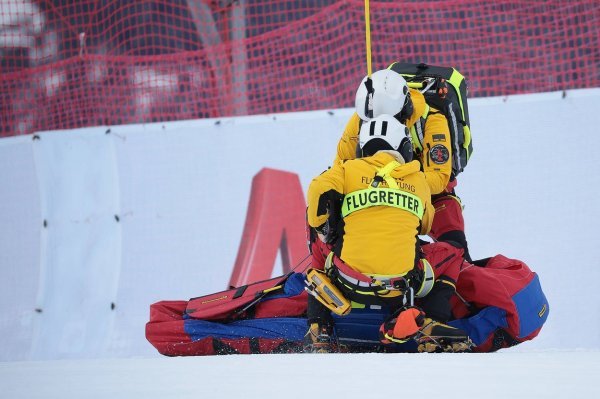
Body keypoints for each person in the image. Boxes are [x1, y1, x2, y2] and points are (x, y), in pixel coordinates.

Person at [304, 115, 471, 353]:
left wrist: (322, 227)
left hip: (347, 281)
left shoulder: (347, 169)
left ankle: (318, 326)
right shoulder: (419, 178)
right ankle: (432, 318)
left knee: (319, 239)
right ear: (403, 146)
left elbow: (317, 188)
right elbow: (424, 227)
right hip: (401, 285)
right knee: (453, 252)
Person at [326, 68, 471, 261]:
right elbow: (340, 166)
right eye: (373, 121)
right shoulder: (361, 120)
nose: (379, 125)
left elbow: (438, 179)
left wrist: (402, 183)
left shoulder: (432, 121)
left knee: (457, 252)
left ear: (404, 109)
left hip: (432, 197)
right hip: (372, 193)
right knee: (331, 235)